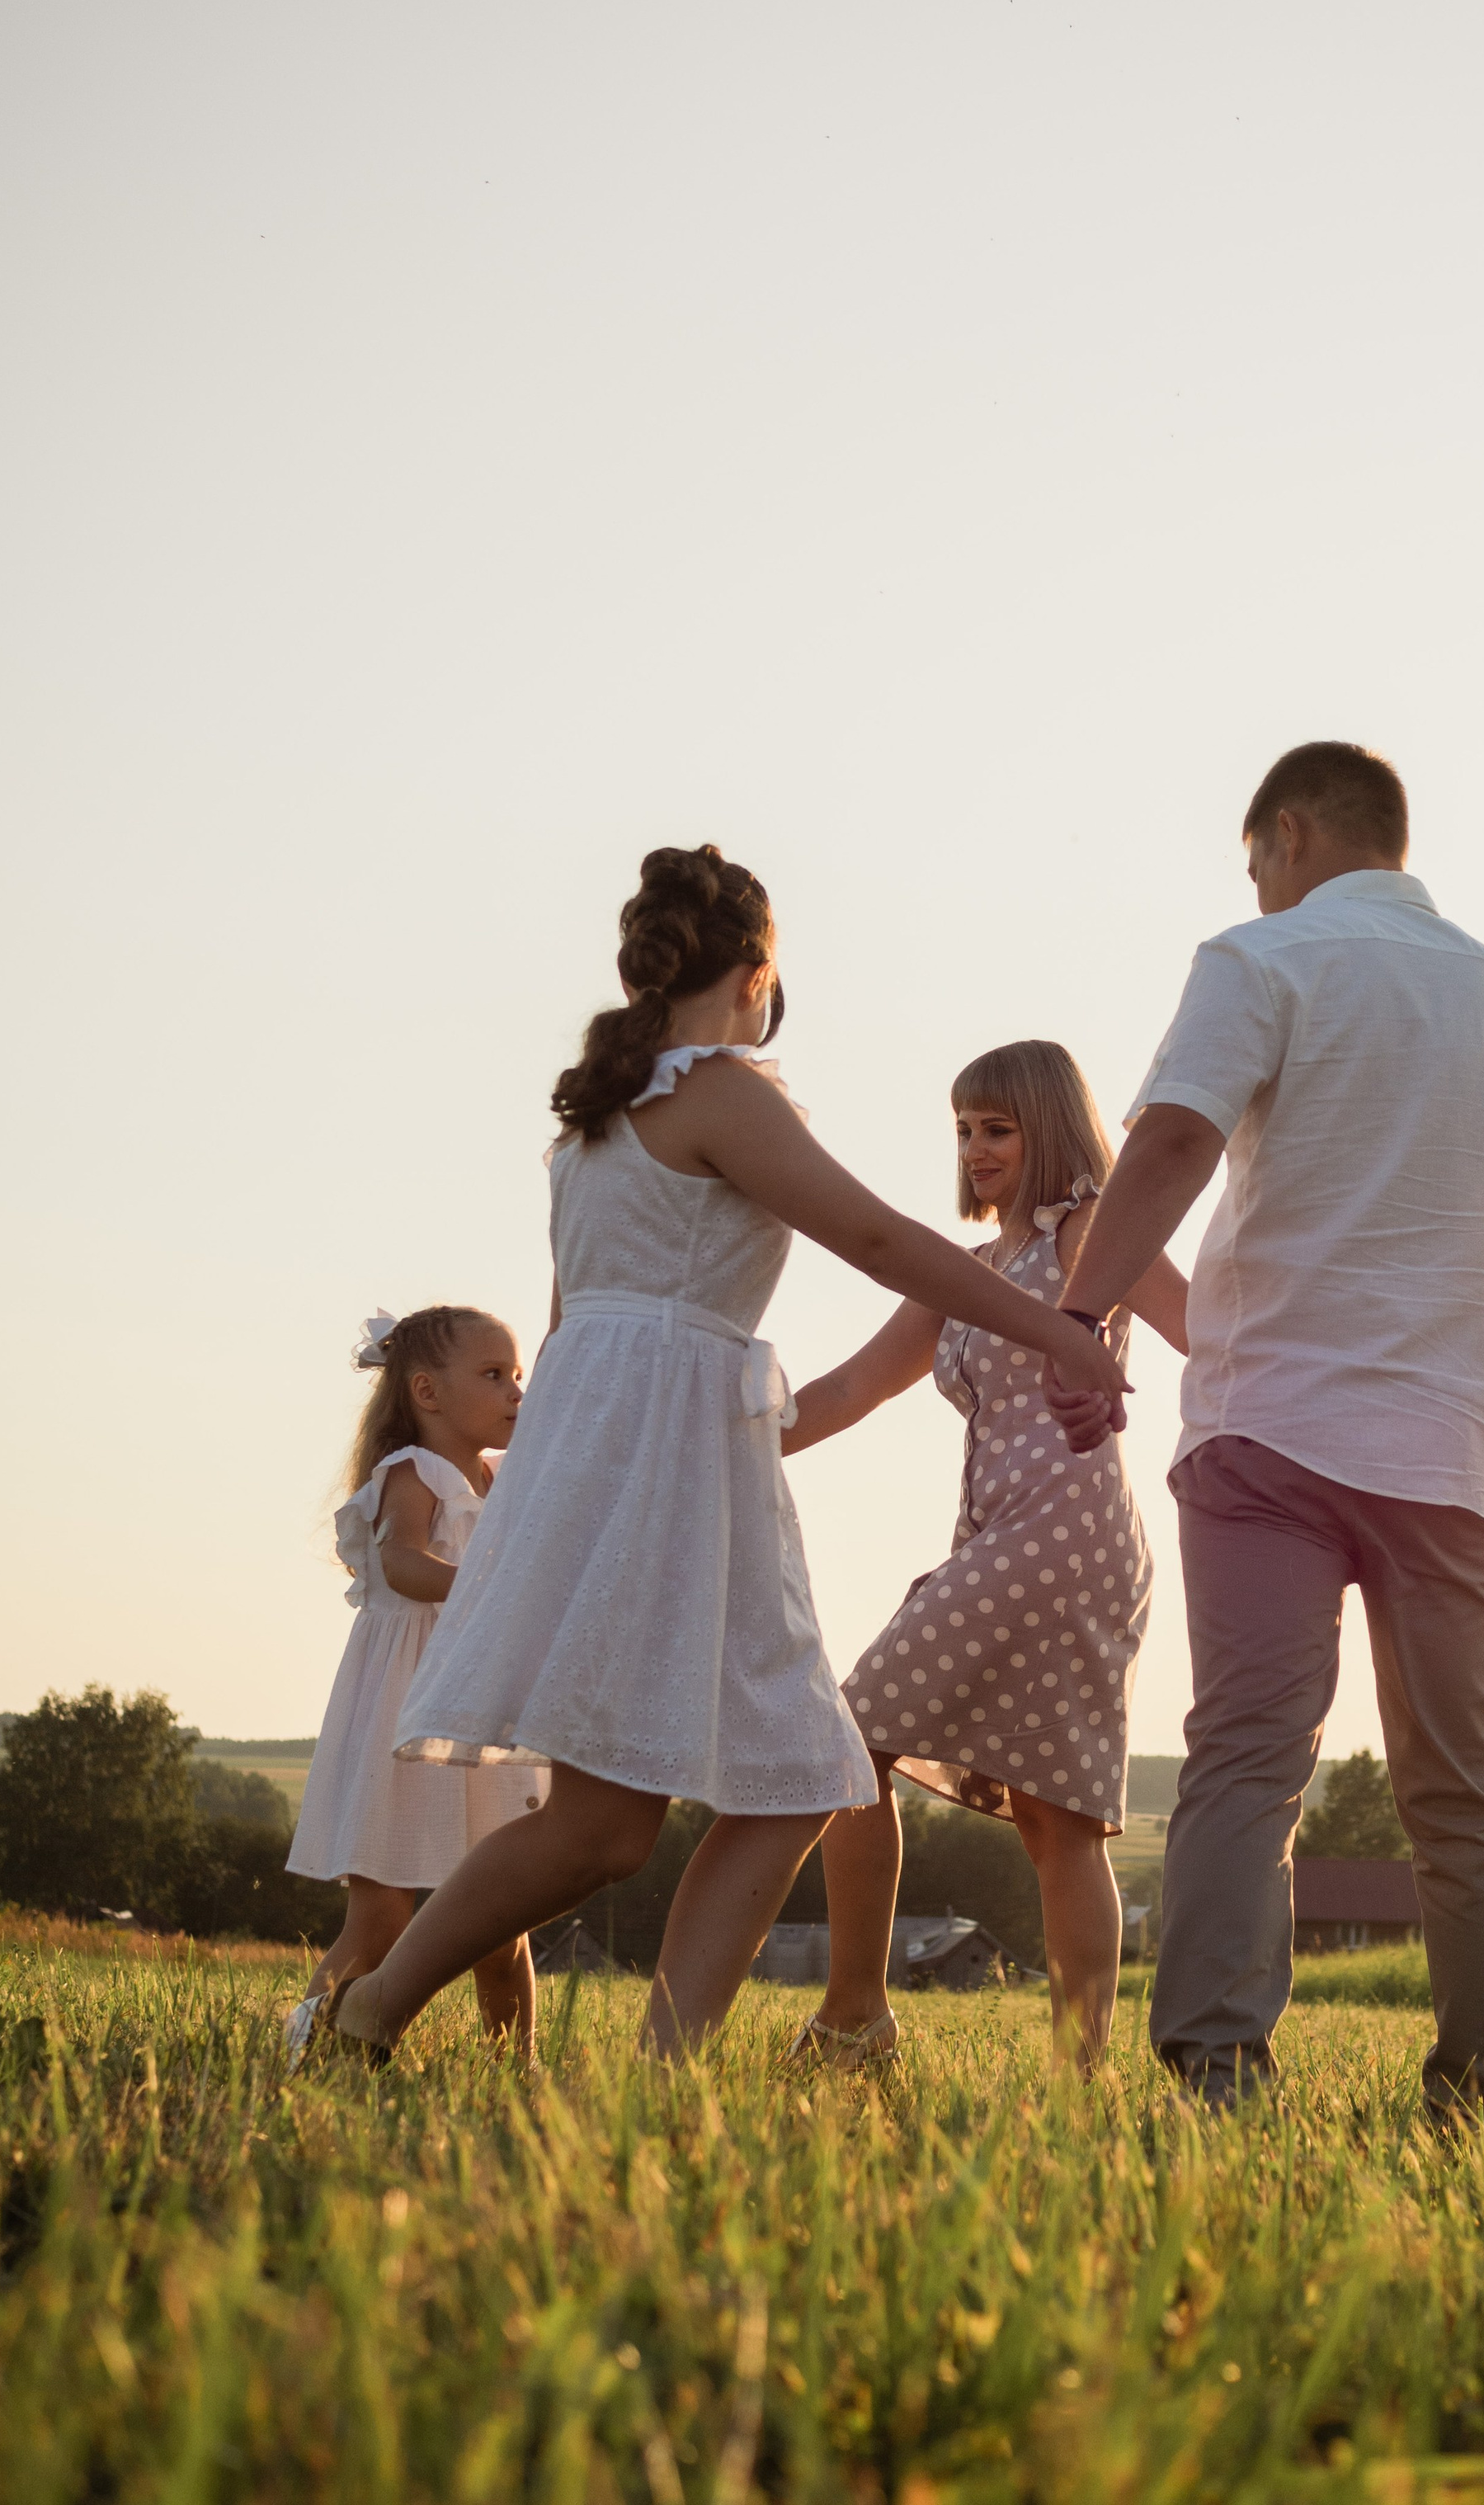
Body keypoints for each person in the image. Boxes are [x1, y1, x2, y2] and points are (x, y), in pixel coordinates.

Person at [310, 847, 1130, 2067]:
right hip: (669, 1458)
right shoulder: (726, 1089)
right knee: (670, 1808)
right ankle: (421, 2020)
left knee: (697, 1802)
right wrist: (1055, 1329)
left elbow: (572, 1326)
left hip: (623, 1443)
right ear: (756, 973)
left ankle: (504, 2041)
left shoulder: (596, 1122)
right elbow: (876, 1235)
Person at [1046, 743, 1484, 2122]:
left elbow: (1164, 1144)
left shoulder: (1262, 957)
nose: (1258, 884)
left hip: (1275, 1420)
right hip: (1461, 1438)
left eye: (1257, 856)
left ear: (1290, 830)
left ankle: (1216, 2062)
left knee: (1251, 1754)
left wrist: (1079, 1312)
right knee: (1464, 1785)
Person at [780, 1040, 1187, 2069]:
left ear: (1048, 1128)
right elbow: (851, 1388)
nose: (974, 1148)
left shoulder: (1089, 1227)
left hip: (1067, 1534)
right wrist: (721, 1428)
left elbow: (1203, 1323)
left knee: (862, 1740)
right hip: (1000, 1535)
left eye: (996, 1128)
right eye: (963, 1129)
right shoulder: (968, 1272)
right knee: (1051, 1821)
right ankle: (1045, 2066)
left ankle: (862, 2019)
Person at [285, 1306, 545, 2066]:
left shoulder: (498, 1477)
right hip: (405, 1701)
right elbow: (400, 1561)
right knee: (381, 1917)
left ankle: (514, 2067)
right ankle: (312, 2041)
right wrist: (485, 1589)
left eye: (518, 1374)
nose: (515, 1391)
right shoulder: (414, 1471)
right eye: (494, 1375)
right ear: (427, 1392)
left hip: (481, 1705)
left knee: (505, 1916)